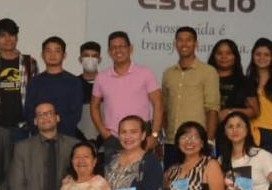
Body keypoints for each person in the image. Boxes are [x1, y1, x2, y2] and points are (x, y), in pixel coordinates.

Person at [91, 31, 163, 160]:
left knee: (143, 172)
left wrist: (154, 135)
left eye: (122, 46)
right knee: (114, 173)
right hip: (113, 139)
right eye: (114, 47)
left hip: (141, 138)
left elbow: (158, 104)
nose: (118, 50)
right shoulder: (101, 77)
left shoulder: (145, 73)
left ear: (130, 48)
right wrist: (103, 132)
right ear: (109, 52)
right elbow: (94, 106)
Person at [161, 27, 220, 167]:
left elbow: (212, 109)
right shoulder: (168, 73)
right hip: (172, 142)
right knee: (170, 179)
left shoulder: (208, 72)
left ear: (196, 43)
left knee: (197, 180)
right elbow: (164, 108)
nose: (184, 44)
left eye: (188, 40)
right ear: (175, 44)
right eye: (180, 40)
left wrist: (208, 141)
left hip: (197, 142)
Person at [0, 18, 38, 143]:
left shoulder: (29, 63)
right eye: (3, 36)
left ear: (17, 37)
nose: (8, 39)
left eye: (11, 35)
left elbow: (35, 95)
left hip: (22, 127)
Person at [25, 36, 81, 137]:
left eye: (57, 51)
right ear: (42, 55)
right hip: (39, 138)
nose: (52, 55)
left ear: (64, 55)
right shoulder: (34, 82)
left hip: (66, 137)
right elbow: (29, 113)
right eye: (48, 51)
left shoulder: (74, 82)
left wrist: (56, 134)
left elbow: (75, 114)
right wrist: (43, 133)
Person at [208, 39, 259, 123]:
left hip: (234, 128)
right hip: (204, 127)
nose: (224, 56)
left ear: (235, 57)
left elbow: (255, 111)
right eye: (219, 53)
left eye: (228, 53)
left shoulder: (244, 82)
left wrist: (231, 112)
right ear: (214, 56)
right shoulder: (205, 78)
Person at [247, 37, 272, 151]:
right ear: (253, 56)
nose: (262, 58)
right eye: (258, 54)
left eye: (267, 55)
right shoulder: (246, 81)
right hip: (250, 134)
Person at [77, 41, 101, 142]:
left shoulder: (108, 83)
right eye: (86, 55)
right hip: (79, 141)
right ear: (80, 59)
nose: (90, 59)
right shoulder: (74, 84)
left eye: (94, 56)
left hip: (106, 141)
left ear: (99, 59)